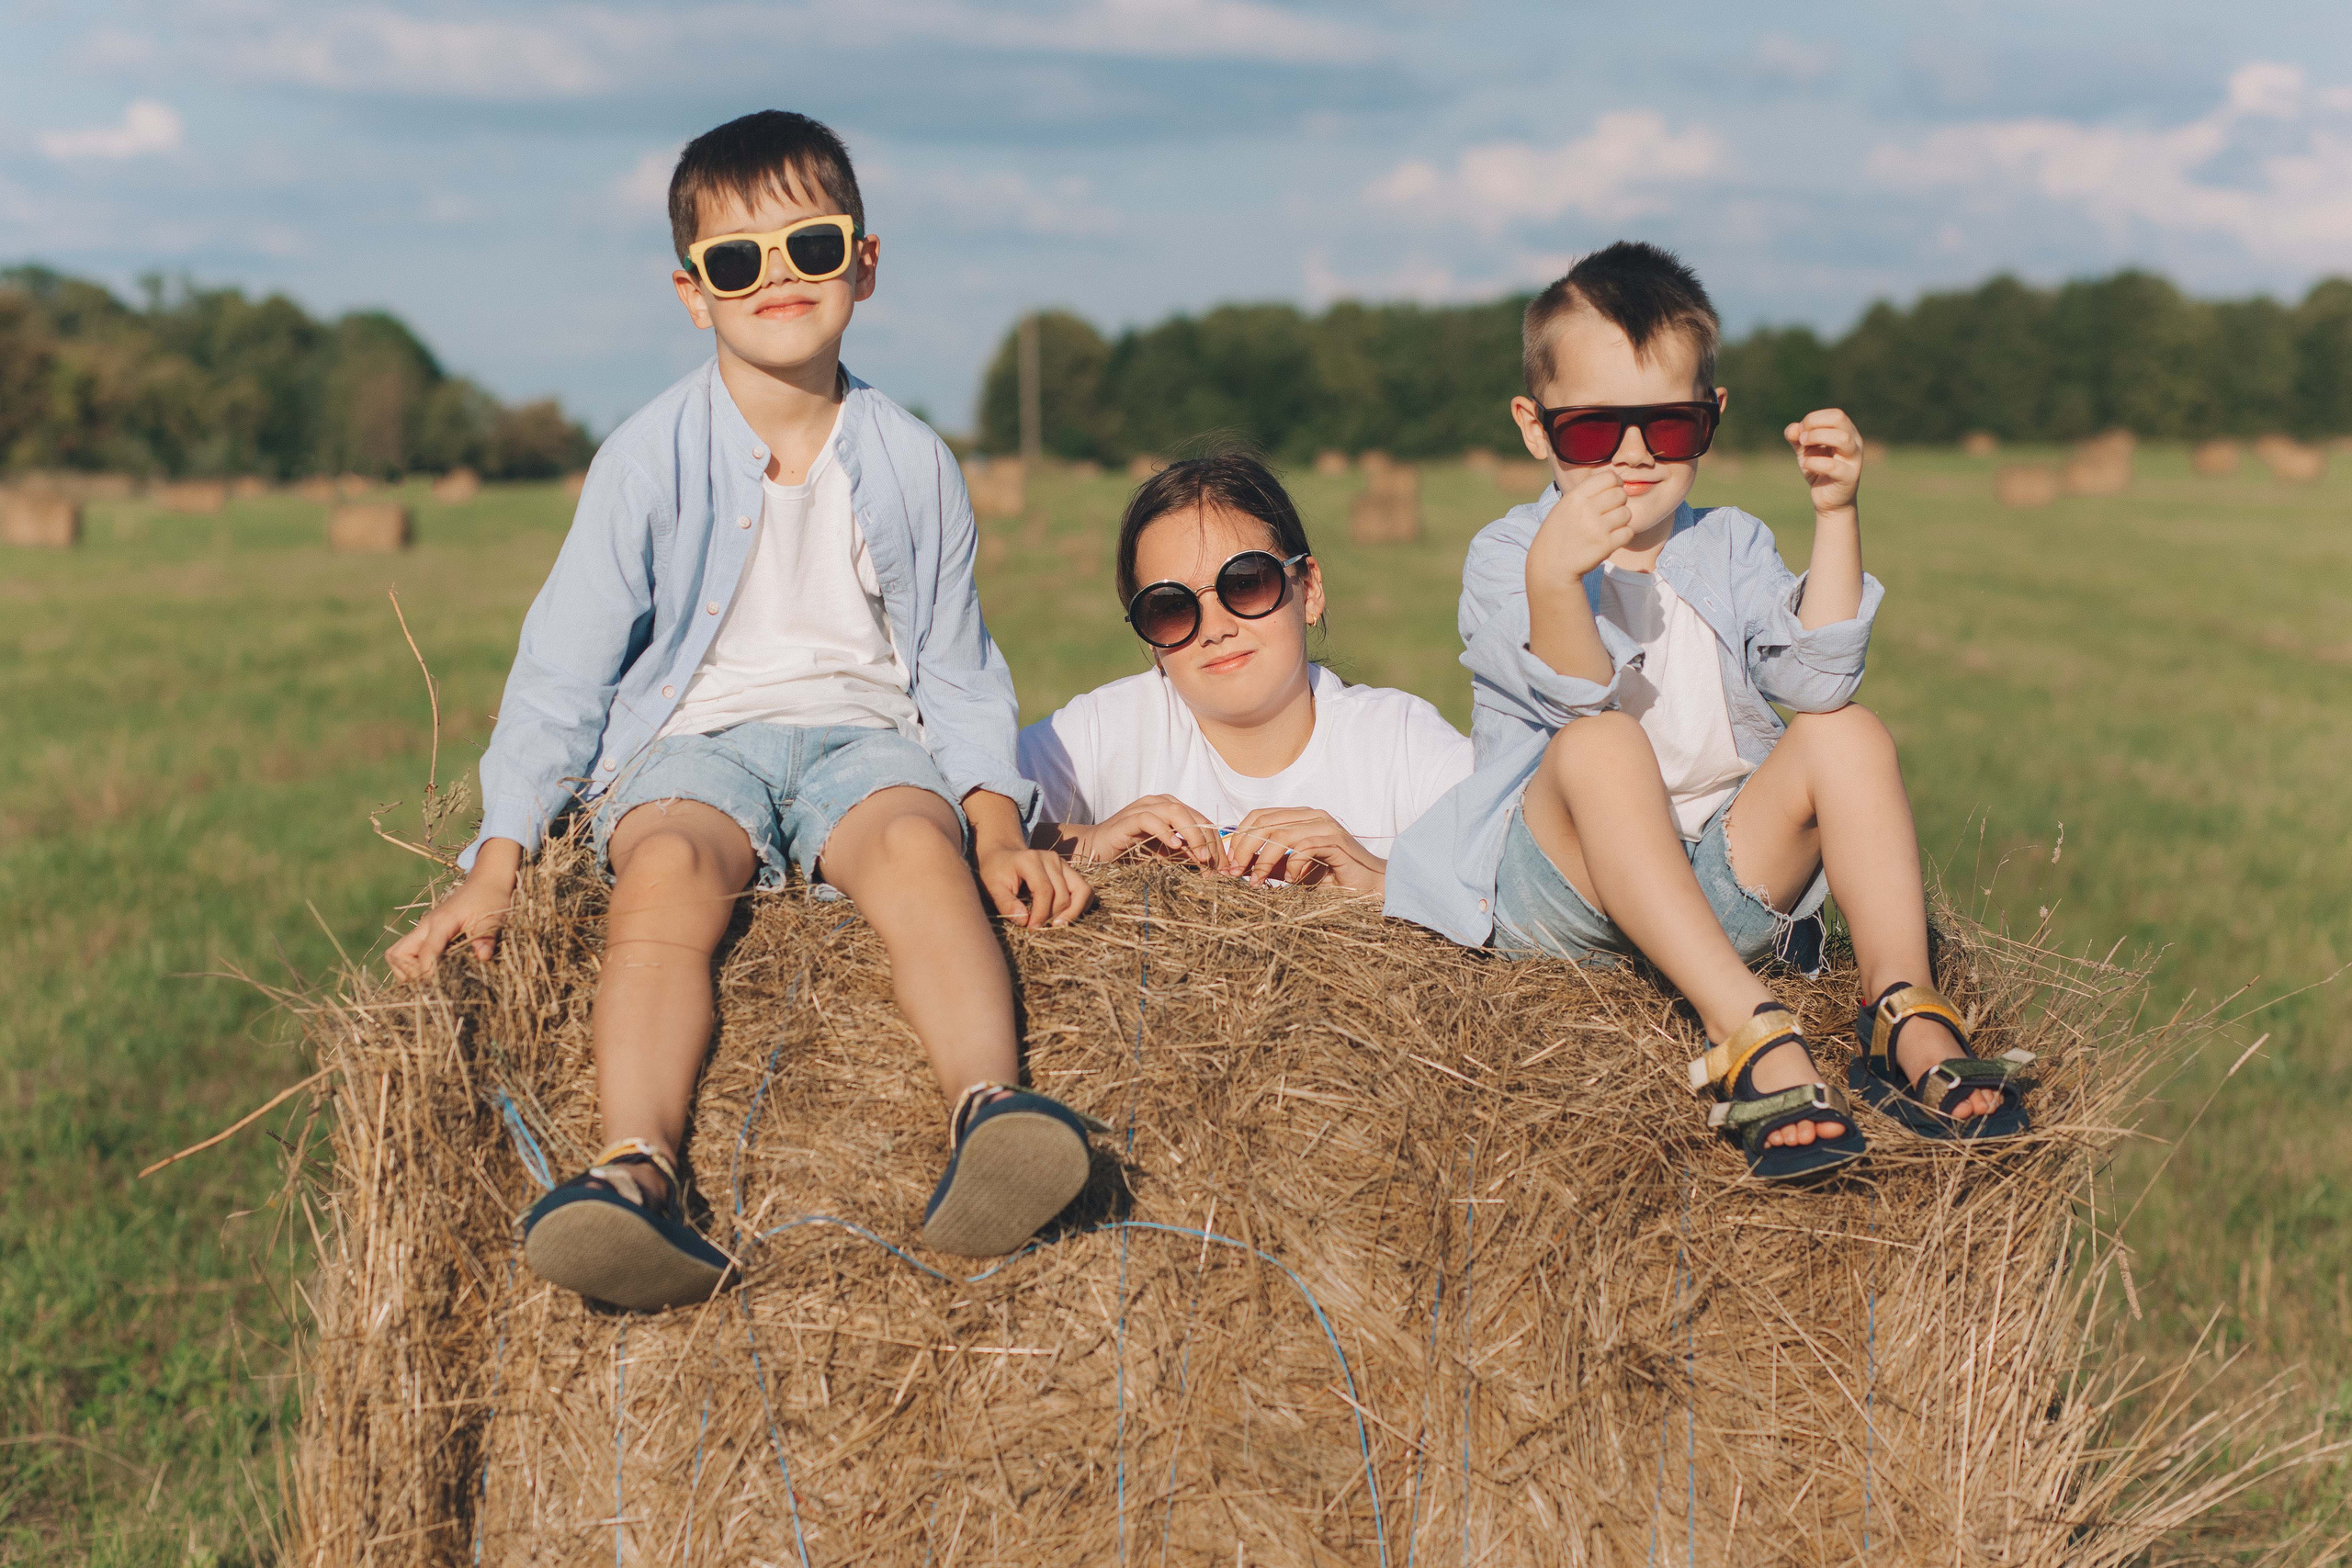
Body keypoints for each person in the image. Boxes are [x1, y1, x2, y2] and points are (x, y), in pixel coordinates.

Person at [387, 110, 1101, 1309]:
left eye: (810, 248)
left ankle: (992, 1110)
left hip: (865, 736)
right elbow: (562, 671)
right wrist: (500, 854)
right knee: (664, 871)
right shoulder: (645, 460)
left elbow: (957, 667)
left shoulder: (915, 460)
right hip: (687, 746)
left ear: (863, 265)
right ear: (692, 292)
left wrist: (994, 819)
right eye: (736, 261)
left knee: (918, 852)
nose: (777, 279)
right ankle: (635, 1168)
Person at [1385, 242, 2033, 1182]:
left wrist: (1836, 512)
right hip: (1563, 895)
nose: (1634, 455)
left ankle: (1902, 1013)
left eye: (1669, 426)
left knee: (1846, 733)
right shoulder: (1509, 553)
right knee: (1603, 743)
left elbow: (1817, 682)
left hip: (1717, 882)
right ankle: (1753, 1034)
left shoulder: (1729, 544)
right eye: (1592, 431)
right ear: (1536, 428)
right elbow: (1579, 702)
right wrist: (1555, 578)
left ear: (1711, 420)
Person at [1021, 453, 1472, 894]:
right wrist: (1089, 846)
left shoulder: (1400, 743)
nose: (1216, 629)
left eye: (1245, 582)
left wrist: (1378, 878)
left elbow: (1519, 874)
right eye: (1172, 608)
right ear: (1150, 640)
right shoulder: (1104, 730)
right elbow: (962, 820)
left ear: (1309, 589)